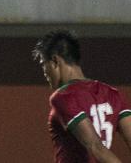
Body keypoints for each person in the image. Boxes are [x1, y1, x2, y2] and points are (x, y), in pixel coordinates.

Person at [33, 30, 131, 162]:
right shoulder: (113, 93)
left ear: (55, 61)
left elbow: (95, 146)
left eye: (44, 65)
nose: (44, 73)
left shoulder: (63, 97)